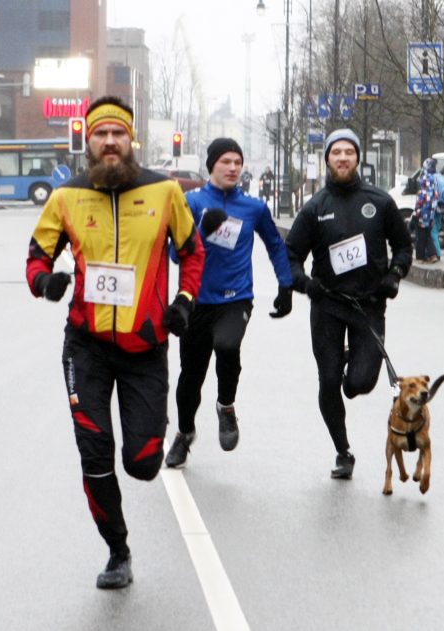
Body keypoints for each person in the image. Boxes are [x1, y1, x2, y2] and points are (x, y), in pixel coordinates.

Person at [25, 96, 205, 589]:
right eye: (100, 134)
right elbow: (36, 259)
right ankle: (118, 551)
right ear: (89, 142)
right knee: (94, 451)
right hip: (86, 347)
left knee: (143, 463)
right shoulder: (65, 197)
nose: (109, 142)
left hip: (145, 348)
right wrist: (46, 284)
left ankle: (151, 446)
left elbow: (192, 253)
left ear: (131, 141)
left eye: (117, 135)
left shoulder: (165, 192)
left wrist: (185, 302)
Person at [285, 128, 412, 479]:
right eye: (336, 152)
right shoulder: (315, 208)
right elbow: (291, 254)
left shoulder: (380, 202)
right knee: (328, 381)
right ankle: (343, 451)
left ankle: (351, 367)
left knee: (359, 382)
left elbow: (403, 246)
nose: (342, 158)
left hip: (369, 304)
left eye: (349, 152)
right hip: (327, 304)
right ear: (327, 159)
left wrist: (394, 274)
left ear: (358, 158)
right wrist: (305, 284)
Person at [165, 138, 293, 468]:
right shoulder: (191, 202)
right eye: (226, 161)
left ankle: (226, 407)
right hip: (195, 300)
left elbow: (276, 246)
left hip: (237, 298)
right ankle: (184, 433)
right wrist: (198, 231)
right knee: (190, 378)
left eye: (238, 161)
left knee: (227, 345)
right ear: (211, 166)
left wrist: (286, 283)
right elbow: (172, 253)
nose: (233, 167)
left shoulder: (254, 207)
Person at [414, 158, 440, 263]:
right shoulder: (434, 193)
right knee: (428, 235)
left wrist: (417, 213)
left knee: (421, 236)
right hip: (430, 216)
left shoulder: (423, 194)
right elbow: (433, 205)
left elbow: (419, 205)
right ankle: (433, 254)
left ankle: (420, 257)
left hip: (422, 216)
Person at [431, 162, 444, 258]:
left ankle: (436, 253)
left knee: (432, 231)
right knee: (436, 230)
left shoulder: (433, 178)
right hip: (439, 208)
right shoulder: (440, 177)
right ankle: (436, 252)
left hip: (433, 209)